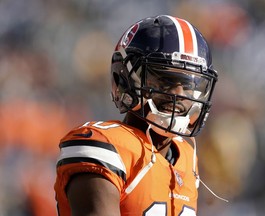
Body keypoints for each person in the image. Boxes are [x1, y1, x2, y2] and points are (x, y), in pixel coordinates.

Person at [54, 14, 219, 216]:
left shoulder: (185, 155)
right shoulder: (105, 145)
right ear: (124, 79)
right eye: (164, 80)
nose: (178, 94)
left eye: (187, 85)